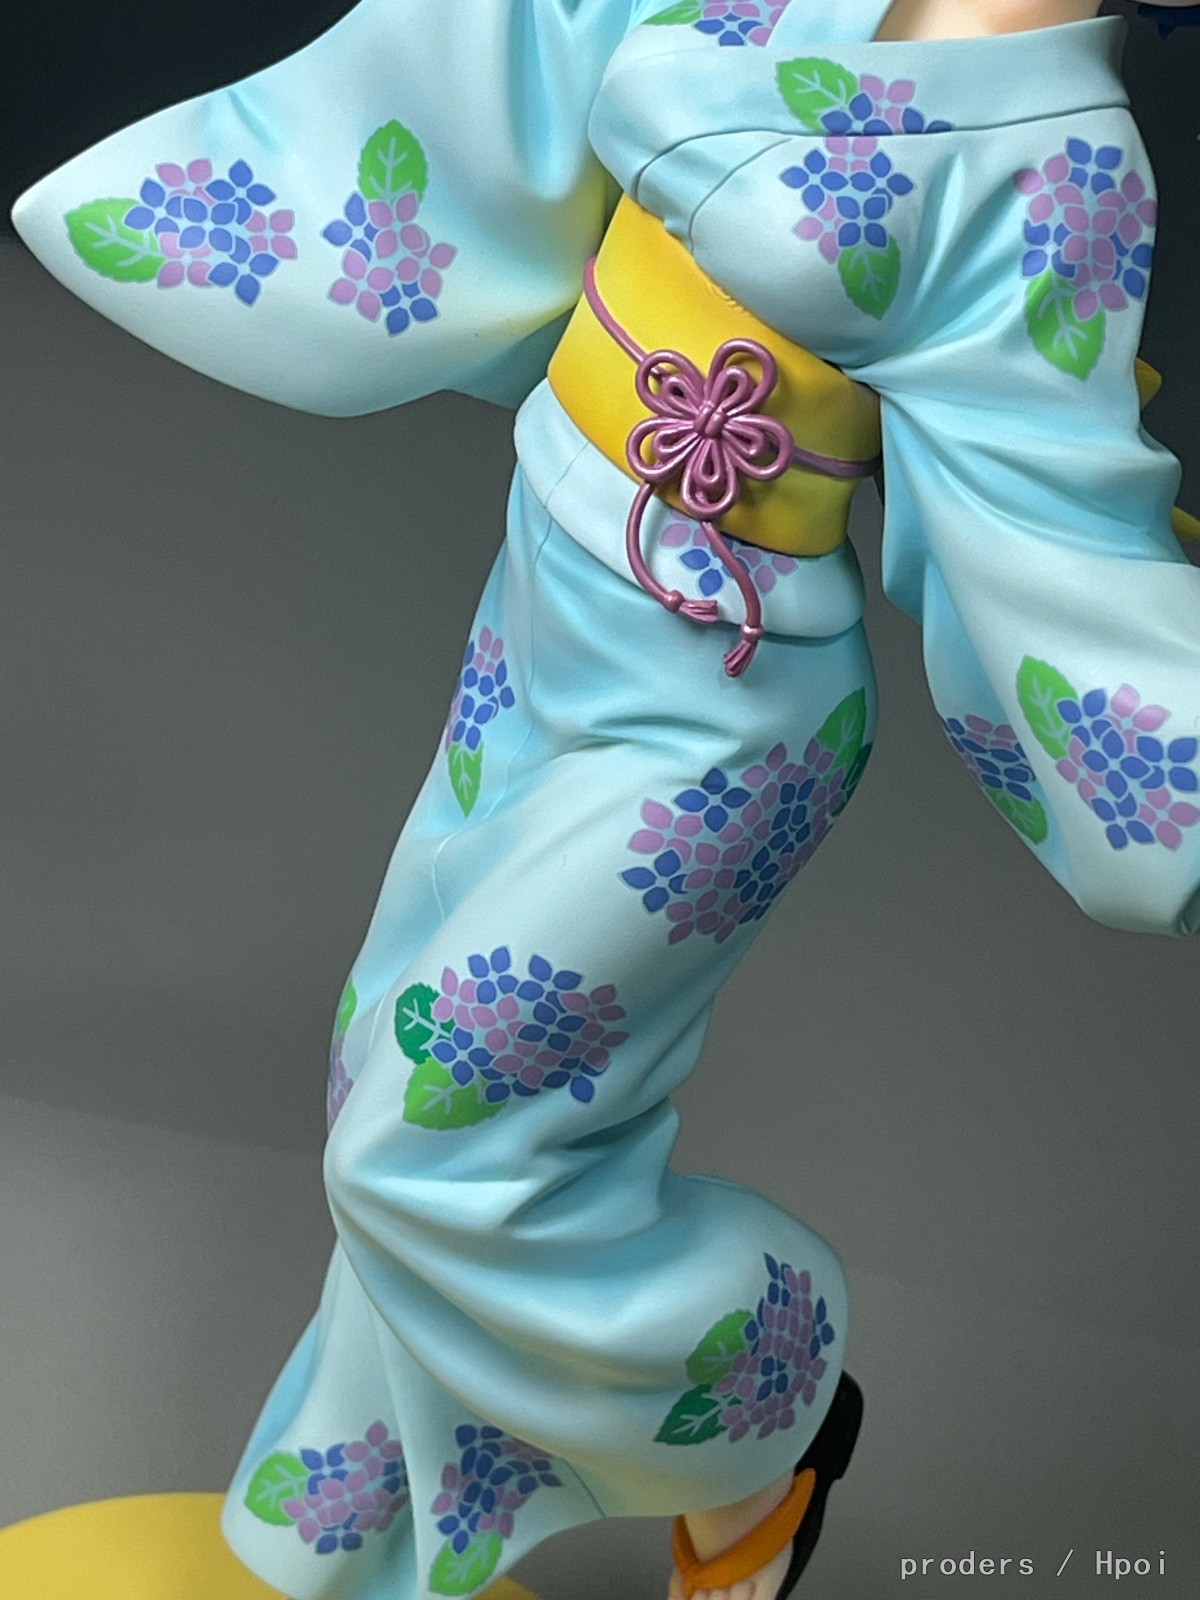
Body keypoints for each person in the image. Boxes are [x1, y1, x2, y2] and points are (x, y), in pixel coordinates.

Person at [11, 0, 1200, 1597]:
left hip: (718, 708)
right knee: (388, 1053)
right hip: (555, 580)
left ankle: (763, 1404)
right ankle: (326, 1546)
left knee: (430, 1148)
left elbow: (1051, 507)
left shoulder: (1064, 168)